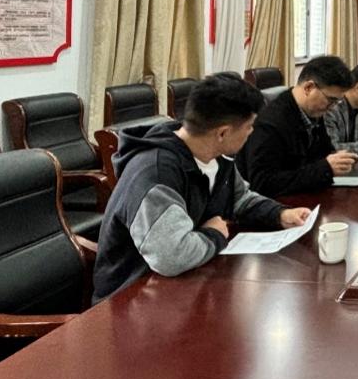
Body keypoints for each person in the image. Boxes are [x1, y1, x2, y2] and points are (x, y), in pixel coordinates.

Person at [93, 74, 312, 301]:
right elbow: (171, 257)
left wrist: (279, 214)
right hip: (130, 298)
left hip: (187, 284)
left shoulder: (217, 156)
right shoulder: (155, 173)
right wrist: (214, 234)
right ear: (223, 133)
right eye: (249, 126)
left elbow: (239, 199)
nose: (251, 132)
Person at [238, 56, 358, 197]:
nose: (332, 107)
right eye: (331, 100)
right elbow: (263, 183)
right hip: (279, 204)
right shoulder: (270, 123)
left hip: (305, 197)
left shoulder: (313, 112)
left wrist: (336, 161)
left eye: (337, 102)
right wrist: (325, 168)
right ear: (309, 88)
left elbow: (324, 154)